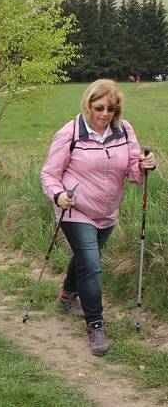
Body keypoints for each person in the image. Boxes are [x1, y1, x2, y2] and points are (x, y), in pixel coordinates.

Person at [41, 79, 156, 356]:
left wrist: (143, 166)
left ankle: (67, 295)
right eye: (99, 107)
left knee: (85, 258)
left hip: (108, 211)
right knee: (91, 265)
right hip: (75, 209)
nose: (105, 114)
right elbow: (49, 174)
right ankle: (95, 325)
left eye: (112, 109)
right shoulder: (70, 133)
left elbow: (133, 172)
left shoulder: (124, 131)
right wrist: (58, 195)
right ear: (88, 104)